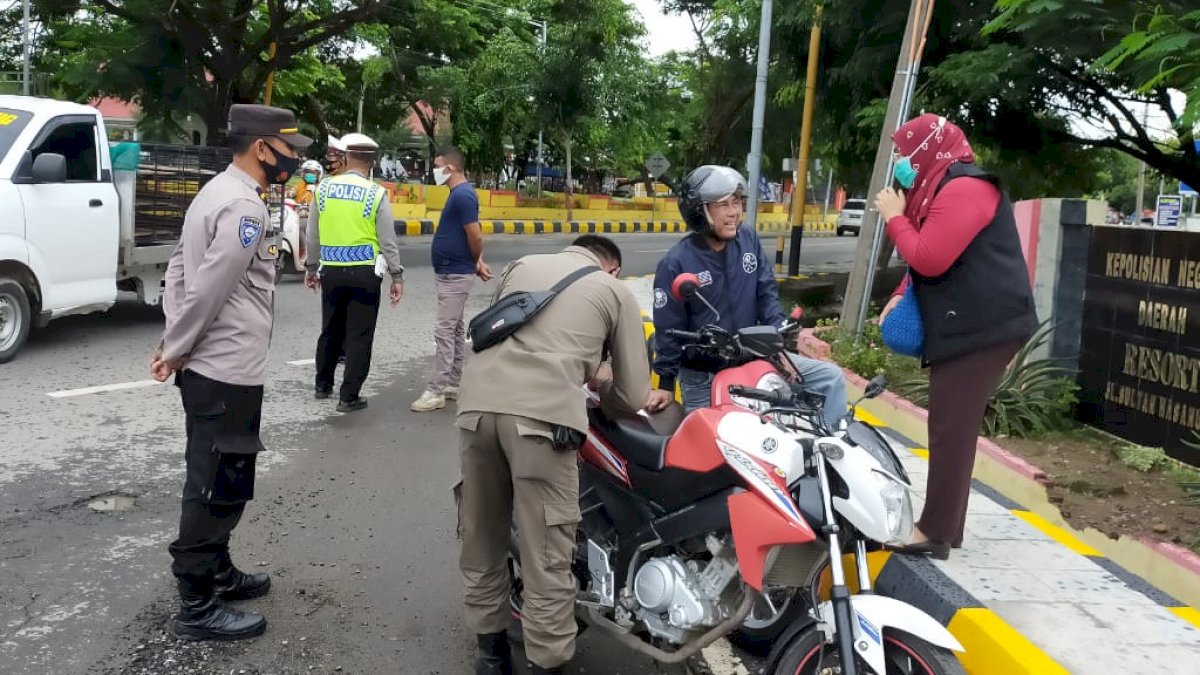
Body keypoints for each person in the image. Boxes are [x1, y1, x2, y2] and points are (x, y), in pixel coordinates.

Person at [151, 103, 312, 641]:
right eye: (288, 149)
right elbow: (210, 287)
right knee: (215, 485)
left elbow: (179, 269)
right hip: (225, 368)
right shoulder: (245, 208)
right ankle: (196, 603)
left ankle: (218, 570)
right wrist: (176, 348)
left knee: (222, 474)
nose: (294, 159)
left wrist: (174, 339)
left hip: (212, 365)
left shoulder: (216, 191)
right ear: (262, 148)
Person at [455, 235, 651, 675]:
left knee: (482, 536)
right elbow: (633, 393)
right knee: (546, 554)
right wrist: (602, 386)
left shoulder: (521, 266)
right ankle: (546, 663)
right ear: (613, 268)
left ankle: (490, 656)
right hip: (541, 423)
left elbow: (505, 334)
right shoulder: (614, 291)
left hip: (476, 409)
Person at [875, 114, 1037, 560]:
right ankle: (946, 528)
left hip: (985, 327)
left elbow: (929, 256)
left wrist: (894, 217)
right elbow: (926, 256)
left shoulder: (966, 189)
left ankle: (934, 532)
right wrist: (900, 293)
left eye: (904, 152)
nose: (900, 161)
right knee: (952, 425)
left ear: (927, 148)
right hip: (970, 322)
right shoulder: (941, 187)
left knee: (950, 427)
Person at [645, 165, 848, 428]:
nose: (735, 211)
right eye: (723, 204)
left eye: (737, 202)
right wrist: (665, 383)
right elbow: (668, 329)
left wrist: (778, 338)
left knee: (830, 378)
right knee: (711, 439)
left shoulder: (748, 238)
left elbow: (766, 292)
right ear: (699, 211)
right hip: (705, 375)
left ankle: (830, 442)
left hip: (753, 359)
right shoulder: (676, 263)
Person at [304, 133, 405, 412]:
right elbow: (387, 241)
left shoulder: (323, 189)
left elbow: (312, 235)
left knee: (330, 328)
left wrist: (311, 268)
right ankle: (348, 397)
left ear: (347, 158)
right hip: (365, 274)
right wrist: (396, 276)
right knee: (359, 335)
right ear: (372, 163)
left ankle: (323, 385)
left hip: (331, 271)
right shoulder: (376, 193)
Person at [411, 146, 493, 413]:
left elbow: (475, 235)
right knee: (455, 328)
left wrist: (476, 260)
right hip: (451, 270)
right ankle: (453, 382)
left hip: (456, 272)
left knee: (444, 329)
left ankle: (436, 390)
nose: (434, 171)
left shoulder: (463, 195)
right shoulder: (458, 194)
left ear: (451, 168)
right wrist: (477, 261)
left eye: (437, 166)